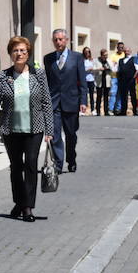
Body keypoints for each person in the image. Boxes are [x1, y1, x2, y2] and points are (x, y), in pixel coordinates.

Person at [0, 36, 53, 222]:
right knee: (16, 167)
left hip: (34, 128)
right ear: (10, 54)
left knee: (30, 164)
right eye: (15, 51)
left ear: (28, 53)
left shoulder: (39, 75)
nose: (19, 54)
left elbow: (46, 102)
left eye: (23, 50)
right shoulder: (3, 76)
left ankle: (27, 207)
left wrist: (49, 130)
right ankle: (19, 201)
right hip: (10, 129)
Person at [43, 29, 87, 173]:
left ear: (66, 40)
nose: (58, 42)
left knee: (71, 134)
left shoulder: (77, 57)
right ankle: (58, 164)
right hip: (54, 103)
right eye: (55, 39)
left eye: (61, 39)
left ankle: (71, 159)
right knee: (54, 134)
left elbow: (82, 81)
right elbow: (48, 82)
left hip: (72, 101)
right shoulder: (48, 58)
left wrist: (83, 101)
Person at [115, 46, 138, 116]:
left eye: (127, 51)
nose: (126, 52)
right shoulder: (121, 60)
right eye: (125, 51)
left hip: (131, 80)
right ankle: (123, 111)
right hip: (122, 80)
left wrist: (133, 78)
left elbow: (137, 70)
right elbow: (118, 70)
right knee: (123, 96)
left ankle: (135, 111)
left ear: (130, 51)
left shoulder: (134, 59)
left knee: (133, 95)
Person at [108, 41, 125, 115]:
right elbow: (111, 65)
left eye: (122, 47)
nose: (121, 49)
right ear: (117, 48)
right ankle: (110, 109)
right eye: (120, 47)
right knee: (113, 93)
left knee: (120, 94)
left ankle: (118, 109)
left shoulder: (124, 55)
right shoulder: (113, 56)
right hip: (114, 77)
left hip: (122, 78)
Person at [94, 49, 111, 116]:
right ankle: (98, 111)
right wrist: (99, 69)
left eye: (106, 55)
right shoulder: (96, 60)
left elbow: (112, 68)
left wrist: (109, 66)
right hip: (99, 81)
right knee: (99, 97)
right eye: (104, 55)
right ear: (101, 55)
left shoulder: (108, 61)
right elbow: (93, 69)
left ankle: (106, 111)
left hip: (107, 80)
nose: (106, 56)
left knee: (106, 97)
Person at [82, 47, 96, 115]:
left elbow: (95, 68)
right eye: (86, 52)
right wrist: (87, 69)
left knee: (91, 95)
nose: (87, 53)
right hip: (84, 79)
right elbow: (81, 70)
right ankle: (83, 111)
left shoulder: (92, 60)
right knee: (84, 95)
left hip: (91, 79)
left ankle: (93, 110)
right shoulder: (82, 60)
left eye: (88, 52)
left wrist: (93, 69)